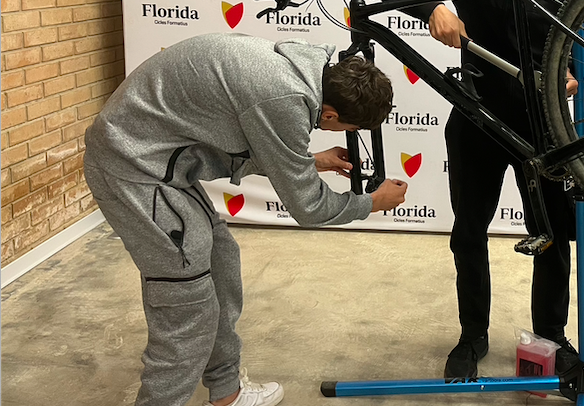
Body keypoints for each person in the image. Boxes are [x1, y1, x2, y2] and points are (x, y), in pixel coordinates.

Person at [82, 32, 408, 406]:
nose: (346, 134)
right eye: (349, 129)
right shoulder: (284, 99)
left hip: (156, 162)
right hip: (130, 168)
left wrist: (307, 161)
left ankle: (226, 393)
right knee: (187, 311)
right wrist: (370, 203)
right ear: (331, 114)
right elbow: (308, 207)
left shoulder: (301, 70)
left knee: (221, 260)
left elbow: (241, 130)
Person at [369, 0, 580, 379]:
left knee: (554, 234)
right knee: (468, 232)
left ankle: (551, 336)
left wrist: (575, 71)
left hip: (546, 120)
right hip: (478, 113)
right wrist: (432, 8)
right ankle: (472, 335)